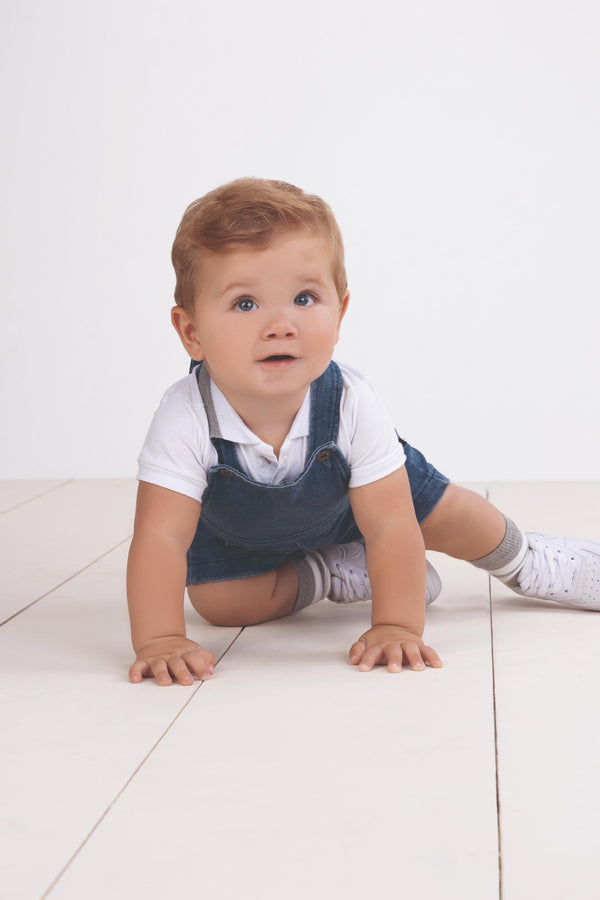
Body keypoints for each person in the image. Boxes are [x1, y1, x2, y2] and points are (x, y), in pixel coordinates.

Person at [127, 177, 600, 686]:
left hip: (370, 499)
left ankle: (528, 560)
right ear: (191, 332)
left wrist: (396, 625)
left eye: (305, 298)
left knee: (458, 518)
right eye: (246, 304)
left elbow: (391, 524)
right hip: (250, 533)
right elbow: (161, 538)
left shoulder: (349, 400)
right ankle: (332, 571)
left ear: (341, 312)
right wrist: (160, 639)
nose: (281, 324)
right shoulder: (186, 415)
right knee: (220, 603)